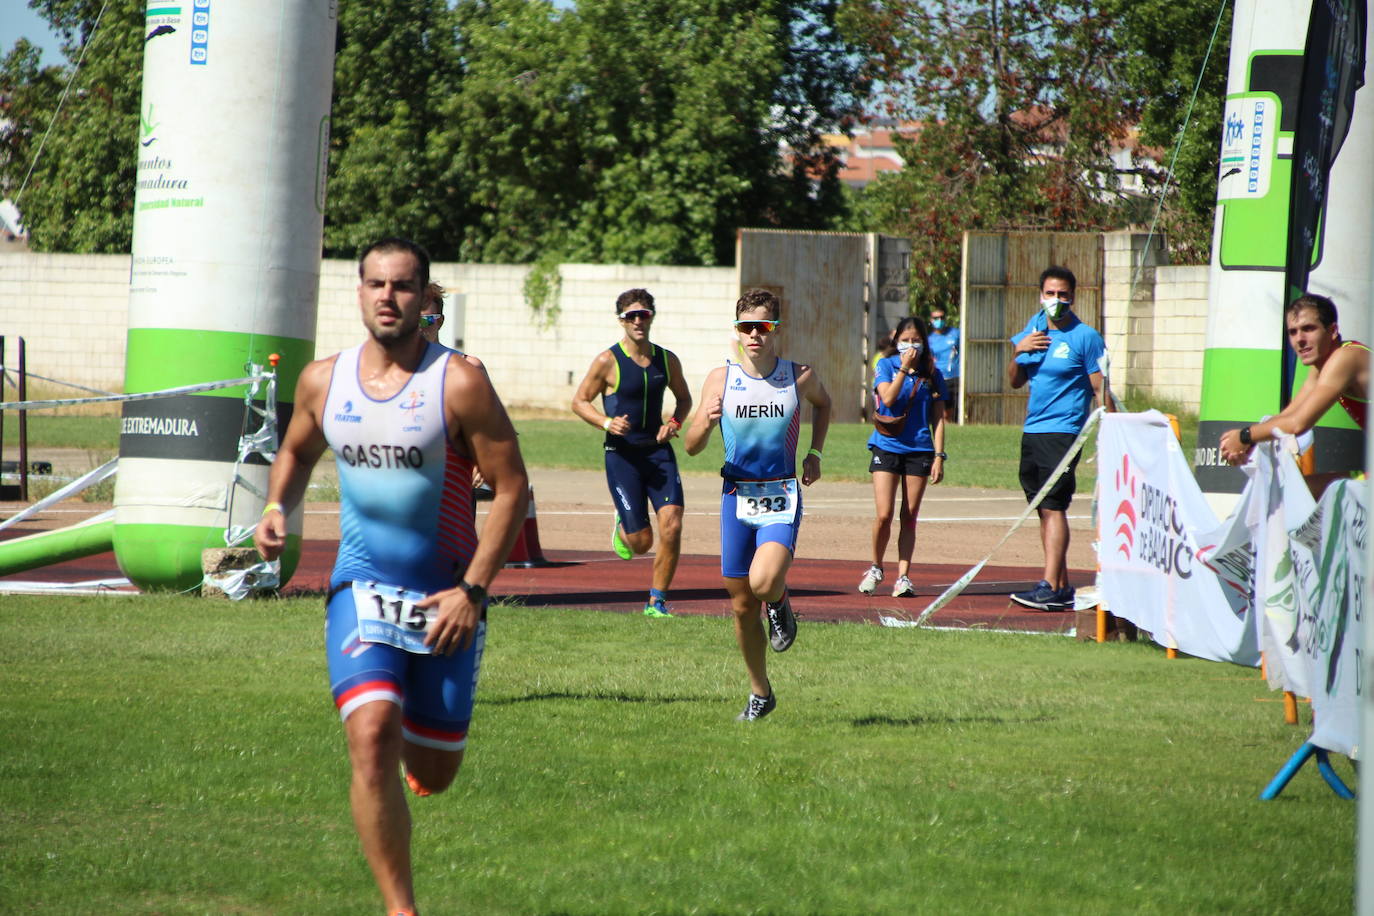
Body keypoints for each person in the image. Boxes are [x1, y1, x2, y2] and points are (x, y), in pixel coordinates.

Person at [254, 237, 529, 916]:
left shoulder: (458, 381)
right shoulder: (324, 379)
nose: (388, 297)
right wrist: (274, 507)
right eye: (376, 284)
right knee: (371, 732)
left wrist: (472, 591)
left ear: (424, 298)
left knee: (434, 773)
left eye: (403, 286)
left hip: (446, 596)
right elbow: (295, 450)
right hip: (360, 587)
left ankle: (419, 740)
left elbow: (514, 487)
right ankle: (400, 909)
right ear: (358, 292)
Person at [684, 288, 831, 720]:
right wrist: (707, 424)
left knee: (763, 583)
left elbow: (824, 405)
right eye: (746, 326)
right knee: (742, 605)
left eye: (762, 327)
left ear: (775, 330)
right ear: (737, 331)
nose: (754, 335)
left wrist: (815, 454)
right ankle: (760, 693)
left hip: (780, 494)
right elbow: (691, 447)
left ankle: (781, 603)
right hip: (735, 497)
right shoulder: (720, 378)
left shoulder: (797, 375)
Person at [571, 289, 692, 618]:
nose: (637, 321)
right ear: (621, 320)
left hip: (658, 454)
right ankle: (624, 523)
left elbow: (684, 399)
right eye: (630, 316)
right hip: (622, 457)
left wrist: (674, 423)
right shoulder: (607, 361)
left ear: (652, 316)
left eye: (643, 314)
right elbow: (579, 401)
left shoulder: (666, 360)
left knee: (673, 525)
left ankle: (657, 601)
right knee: (641, 543)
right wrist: (606, 422)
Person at [1006, 266, 1113, 611]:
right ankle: (1062, 585)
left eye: (1063, 294)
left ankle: (1049, 585)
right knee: (1042, 508)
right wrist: (1019, 350)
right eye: (1050, 293)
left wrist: (1112, 430)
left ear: (1073, 296)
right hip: (1033, 429)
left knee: (1054, 506)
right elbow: (1014, 381)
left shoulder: (1085, 337)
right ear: (1041, 294)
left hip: (1063, 431)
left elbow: (1101, 388)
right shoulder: (1034, 328)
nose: (1056, 300)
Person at [1219, 293, 1369, 492]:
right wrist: (1250, 442)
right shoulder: (1322, 365)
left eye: (1308, 329)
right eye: (1293, 332)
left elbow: (1298, 424)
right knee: (1296, 494)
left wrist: (1246, 436)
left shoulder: (1346, 357)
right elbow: (1288, 416)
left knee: (1303, 496)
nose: (1300, 340)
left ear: (1332, 330)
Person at [857, 316, 947, 598]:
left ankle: (904, 576)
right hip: (887, 445)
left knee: (909, 517)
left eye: (916, 340)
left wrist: (939, 455)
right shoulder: (885, 365)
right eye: (905, 340)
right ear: (896, 341)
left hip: (919, 449)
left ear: (924, 341)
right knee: (884, 515)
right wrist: (904, 370)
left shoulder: (932, 372)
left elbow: (938, 418)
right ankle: (876, 567)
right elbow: (889, 399)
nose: (910, 345)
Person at [927, 305, 960, 421]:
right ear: (931, 320)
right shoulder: (929, 339)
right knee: (942, 409)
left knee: (954, 409)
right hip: (939, 377)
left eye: (941, 317)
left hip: (955, 376)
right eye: (936, 318)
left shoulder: (956, 334)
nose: (939, 321)